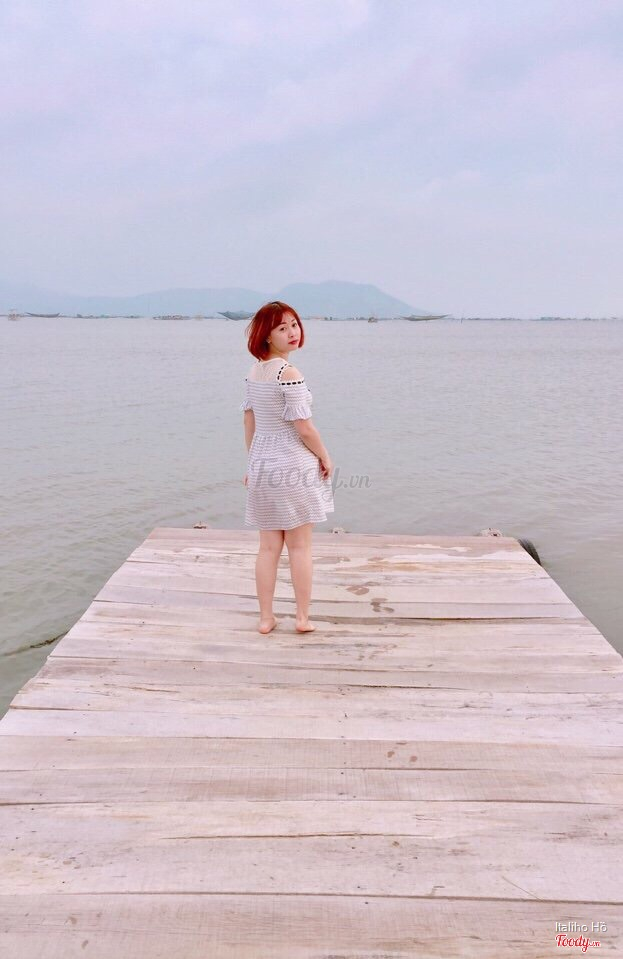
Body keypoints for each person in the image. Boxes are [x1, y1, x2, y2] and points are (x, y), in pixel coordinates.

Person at [240, 300, 335, 635]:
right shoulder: (288, 373)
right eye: (282, 328)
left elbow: (249, 422)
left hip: (264, 466)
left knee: (268, 548)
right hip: (292, 466)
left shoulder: (254, 373)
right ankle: (302, 618)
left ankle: (266, 618)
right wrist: (325, 456)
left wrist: (253, 464)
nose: (292, 332)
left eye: (294, 324)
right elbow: (304, 428)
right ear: (267, 335)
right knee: (299, 547)